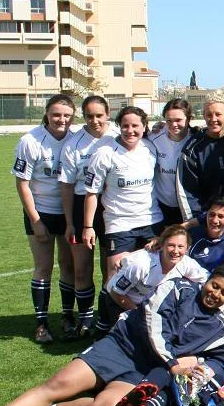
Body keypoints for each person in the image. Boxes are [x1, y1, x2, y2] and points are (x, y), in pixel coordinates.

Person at [0, 265, 224, 406]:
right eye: (214, 285)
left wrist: (213, 367)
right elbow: (154, 322)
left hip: (142, 371)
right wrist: (172, 363)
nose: (215, 294)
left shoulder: (219, 329)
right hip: (120, 346)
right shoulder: (178, 287)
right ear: (206, 281)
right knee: (58, 385)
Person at [13, 93, 77, 344]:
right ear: (47, 115)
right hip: (41, 211)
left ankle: (67, 318)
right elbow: (22, 183)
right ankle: (41, 324)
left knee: (68, 265)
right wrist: (36, 220)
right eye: (56, 115)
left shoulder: (76, 138)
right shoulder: (30, 141)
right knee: (43, 267)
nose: (61, 120)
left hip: (68, 212)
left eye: (67, 115)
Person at [83, 106, 163, 285]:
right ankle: (108, 306)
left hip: (152, 221)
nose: (130, 130)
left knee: (153, 277)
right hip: (119, 224)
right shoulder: (104, 153)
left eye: (135, 126)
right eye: (125, 126)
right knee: (116, 277)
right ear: (119, 126)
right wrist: (88, 227)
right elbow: (91, 193)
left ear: (144, 126)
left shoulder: (150, 147)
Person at [59, 95, 117, 338]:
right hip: (82, 207)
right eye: (89, 116)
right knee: (82, 269)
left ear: (108, 114)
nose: (95, 121)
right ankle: (85, 319)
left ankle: (107, 319)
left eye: (99, 115)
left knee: (110, 270)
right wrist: (70, 222)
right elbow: (66, 186)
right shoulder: (73, 144)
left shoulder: (118, 135)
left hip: (111, 208)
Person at [98, 224, 209, 331]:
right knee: (130, 338)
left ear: (187, 248)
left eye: (180, 246)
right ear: (162, 245)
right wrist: (140, 314)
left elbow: (206, 281)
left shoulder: (187, 264)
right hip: (121, 302)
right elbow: (116, 293)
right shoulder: (141, 265)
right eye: (171, 245)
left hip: (151, 308)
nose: (175, 251)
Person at [176, 97, 224, 219]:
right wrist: (197, 220)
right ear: (204, 116)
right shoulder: (192, 149)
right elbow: (187, 191)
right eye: (209, 115)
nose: (213, 119)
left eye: (218, 114)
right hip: (210, 217)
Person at [147, 98, 196, 225]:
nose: (174, 124)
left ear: (189, 119)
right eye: (169, 120)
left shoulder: (196, 140)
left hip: (188, 207)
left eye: (178, 120)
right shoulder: (154, 138)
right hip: (161, 205)